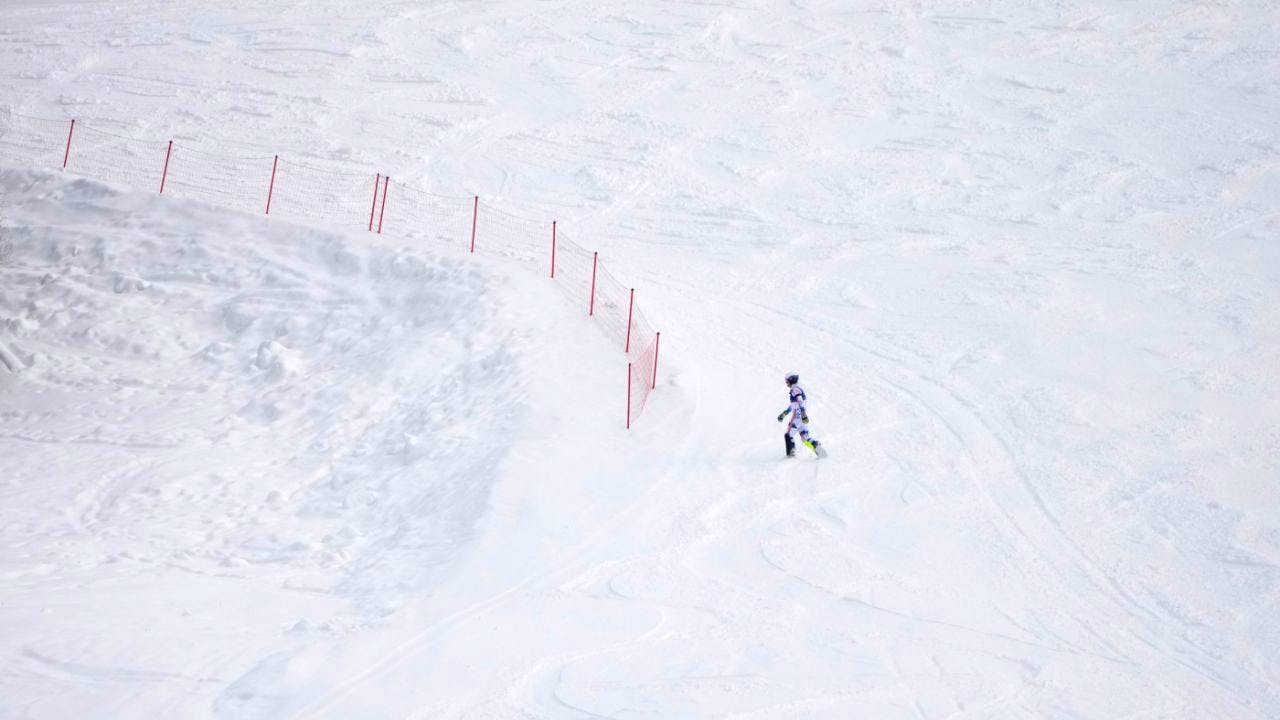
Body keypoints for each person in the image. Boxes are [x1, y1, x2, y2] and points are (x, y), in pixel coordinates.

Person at [777, 374, 824, 458]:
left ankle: (790, 455)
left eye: (787, 381)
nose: (786, 383)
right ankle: (819, 450)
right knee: (805, 438)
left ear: (791, 380)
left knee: (788, 435)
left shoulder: (795, 389)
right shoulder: (795, 389)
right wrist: (784, 413)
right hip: (802, 419)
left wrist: (803, 413)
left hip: (798, 418)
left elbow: (800, 400)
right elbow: (794, 405)